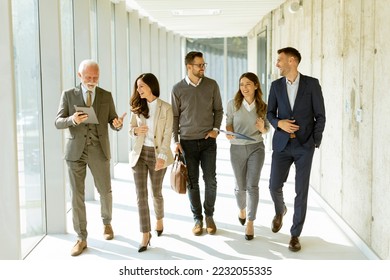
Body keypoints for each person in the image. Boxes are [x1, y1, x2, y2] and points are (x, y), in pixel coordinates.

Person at [55, 59, 126, 256]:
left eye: (95, 77)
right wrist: (72, 119)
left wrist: (118, 123)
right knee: (76, 196)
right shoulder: (68, 95)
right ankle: (81, 237)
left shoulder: (106, 95)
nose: (92, 80)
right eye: (88, 77)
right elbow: (58, 122)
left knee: (105, 190)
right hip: (75, 151)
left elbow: (113, 121)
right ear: (80, 76)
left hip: (99, 150)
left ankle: (107, 223)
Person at [267, 47, 326, 252]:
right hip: (282, 145)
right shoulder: (275, 86)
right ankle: (280, 210)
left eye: (279, 60)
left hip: (304, 146)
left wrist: (314, 142)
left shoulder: (312, 84)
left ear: (292, 61)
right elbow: (269, 114)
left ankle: (294, 234)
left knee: (301, 191)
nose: (277, 64)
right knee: (274, 185)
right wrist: (279, 124)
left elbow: (320, 115)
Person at [171, 51, 224, 236]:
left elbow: (218, 110)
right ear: (189, 66)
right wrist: (175, 141)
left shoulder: (212, 85)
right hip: (187, 142)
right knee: (192, 183)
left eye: (203, 65)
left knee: (210, 181)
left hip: (208, 141)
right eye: (199, 65)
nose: (203, 68)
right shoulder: (177, 89)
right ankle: (197, 219)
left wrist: (215, 129)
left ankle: (209, 216)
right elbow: (175, 116)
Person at [129, 73, 174, 253]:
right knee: (141, 196)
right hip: (139, 154)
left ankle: (159, 219)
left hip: (158, 155)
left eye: (141, 86)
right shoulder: (136, 106)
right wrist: (136, 131)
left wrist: (162, 156)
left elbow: (167, 134)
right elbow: (131, 130)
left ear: (151, 86)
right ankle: (145, 234)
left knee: (156, 192)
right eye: (137, 87)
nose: (138, 90)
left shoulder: (166, 108)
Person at [225, 72, 270, 240]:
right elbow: (228, 123)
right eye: (241, 84)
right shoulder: (233, 104)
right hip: (236, 148)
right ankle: (242, 209)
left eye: (248, 84)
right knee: (240, 187)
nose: (244, 87)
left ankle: (250, 222)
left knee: (253, 186)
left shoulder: (263, 107)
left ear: (256, 86)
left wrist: (262, 128)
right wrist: (229, 133)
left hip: (256, 148)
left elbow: (267, 129)